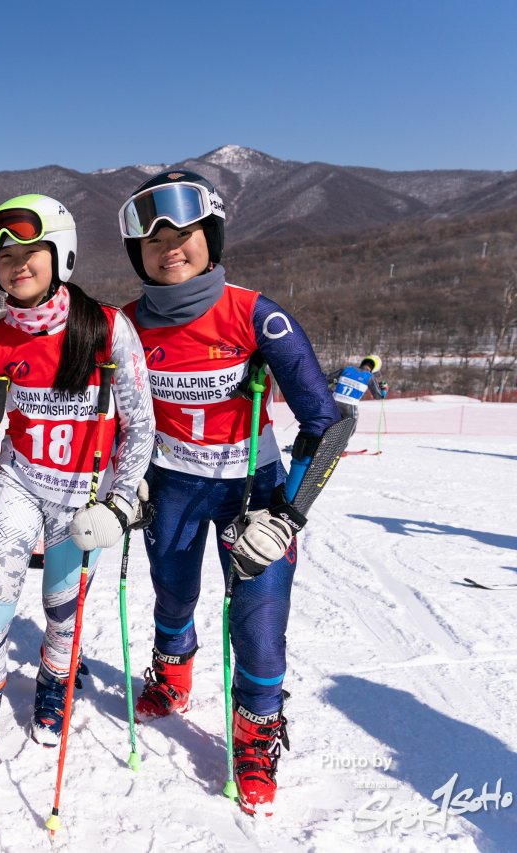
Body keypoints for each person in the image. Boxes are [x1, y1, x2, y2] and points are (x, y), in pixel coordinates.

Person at [117, 170, 349, 816]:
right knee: (173, 589)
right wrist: (127, 480)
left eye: (184, 232)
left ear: (211, 235)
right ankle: (173, 670)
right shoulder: (129, 325)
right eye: (153, 237)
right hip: (173, 482)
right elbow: (121, 417)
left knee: (259, 615)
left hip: (253, 489)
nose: (170, 247)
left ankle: (256, 732)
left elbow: (327, 423)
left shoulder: (256, 315)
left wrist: (285, 516)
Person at [0, 194, 154, 788]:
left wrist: (120, 501)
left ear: (62, 254)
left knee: (61, 606)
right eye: (4, 257)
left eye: (30, 252)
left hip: (83, 497)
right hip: (18, 486)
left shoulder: (108, 329)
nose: (16, 264)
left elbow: (140, 424)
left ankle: (54, 685)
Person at [329, 355, 386, 420]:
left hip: (333, 402)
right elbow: (378, 396)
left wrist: (336, 382)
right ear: (375, 368)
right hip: (350, 406)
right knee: (348, 428)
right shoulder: (370, 376)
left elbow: (326, 379)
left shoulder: (347, 369)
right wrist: (384, 389)